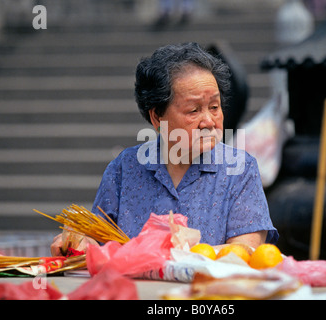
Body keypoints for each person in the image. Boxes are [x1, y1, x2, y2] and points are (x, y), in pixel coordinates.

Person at [51, 42, 278, 256]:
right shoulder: (124, 169)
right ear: (157, 117)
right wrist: (78, 244)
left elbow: (243, 253)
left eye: (214, 107)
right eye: (193, 110)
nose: (209, 120)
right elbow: (98, 244)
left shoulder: (240, 169)